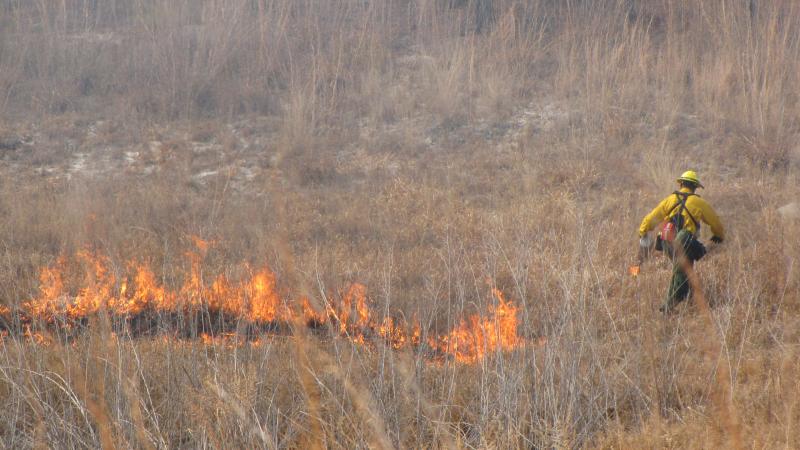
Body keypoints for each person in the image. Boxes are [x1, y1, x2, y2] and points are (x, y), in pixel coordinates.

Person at [638, 171, 725, 312]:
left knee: (682, 271)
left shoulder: (670, 199)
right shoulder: (699, 202)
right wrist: (718, 235)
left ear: (680, 184)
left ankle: (685, 300)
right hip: (685, 242)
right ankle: (668, 307)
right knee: (683, 273)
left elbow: (650, 219)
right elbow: (715, 222)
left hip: (666, 241)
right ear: (695, 187)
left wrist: (643, 232)